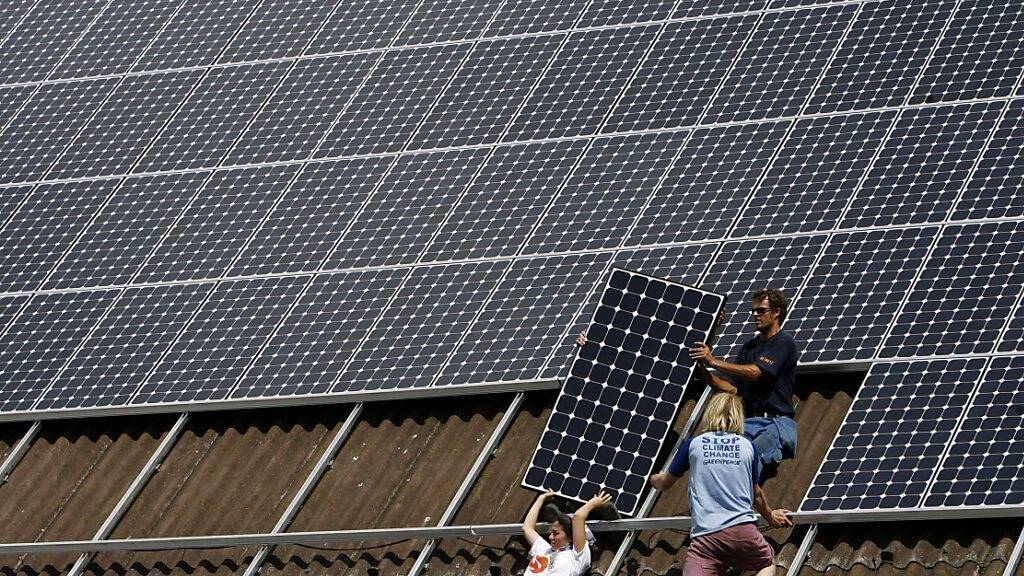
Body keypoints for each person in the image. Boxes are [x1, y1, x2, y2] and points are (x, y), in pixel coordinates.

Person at [649, 392, 792, 576]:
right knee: (765, 564)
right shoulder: (748, 446)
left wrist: (654, 480)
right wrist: (771, 516)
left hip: (706, 539)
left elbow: (665, 483)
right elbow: (755, 494)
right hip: (742, 531)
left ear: (711, 413)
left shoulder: (693, 444)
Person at [687, 288, 799, 474]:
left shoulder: (783, 342)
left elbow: (756, 373)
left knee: (747, 460)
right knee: (717, 463)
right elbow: (733, 390)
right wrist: (706, 375)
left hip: (774, 424)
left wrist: (713, 361)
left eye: (761, 310)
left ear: (777, 312)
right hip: (747, 423)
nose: (755, 315)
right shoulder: (748, 348)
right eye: (753, 311)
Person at [522, 490, 611, 576]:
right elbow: (527, 528)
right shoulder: (544, 549)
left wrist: (593, 503)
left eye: (556, 533)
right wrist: (541, 498)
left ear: (571, 537)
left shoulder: (576, 559)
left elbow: (578, 517)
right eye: (551, 533)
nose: (550, 537)